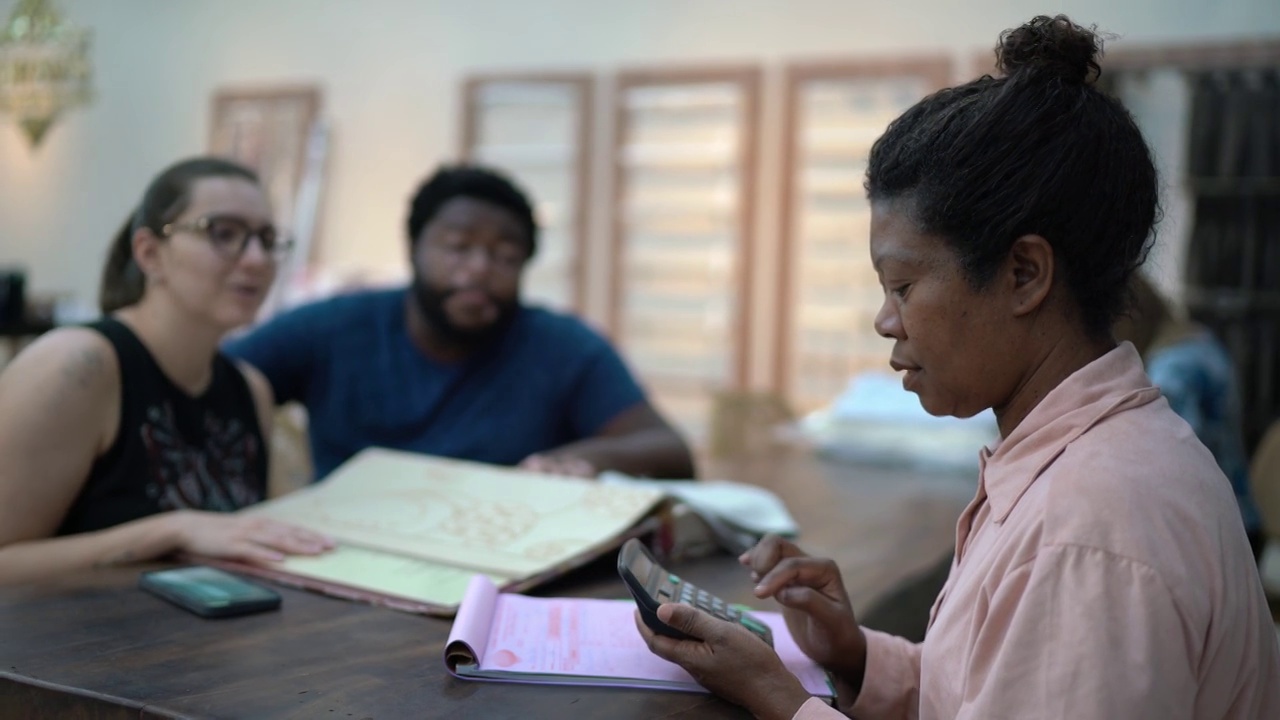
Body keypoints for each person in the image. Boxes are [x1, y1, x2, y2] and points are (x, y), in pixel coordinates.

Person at [635, 15, 1280, 720]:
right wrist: (854, 654)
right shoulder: (1090, 461)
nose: (887, 320)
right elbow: (994, 688)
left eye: (904, 286)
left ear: (1024, 274)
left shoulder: (1088, 531)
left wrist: (781, 701)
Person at [223, 165, 694, 481]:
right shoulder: (333, 328)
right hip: (341, 558)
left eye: (504, 255)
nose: (479, 268)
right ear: (413, 248)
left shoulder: (563, 347)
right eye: (457, 246)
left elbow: (672, 452)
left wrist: (587, 458)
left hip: (501, 569)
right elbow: (212, 385)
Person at [0, 158, 334, 585]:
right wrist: (174, 528)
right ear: (150, 253)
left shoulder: (251, 389)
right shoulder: (78, 366)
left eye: (267, 239)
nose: (256, 259)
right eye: (224, 233)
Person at [1116, 273, 1266, 563]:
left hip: (1212, 533)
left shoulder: (1174, 368)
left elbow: (1168, 456)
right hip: (1237, 518)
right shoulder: (1198, 340)